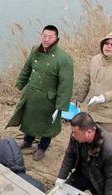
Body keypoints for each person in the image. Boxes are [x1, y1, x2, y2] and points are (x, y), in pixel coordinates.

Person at [6, 25, 74, 161]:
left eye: (50, 37)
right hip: (32, 94)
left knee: (47, 124)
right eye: (44, 36)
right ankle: (28, 140)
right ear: (41, 36)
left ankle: (42, 147)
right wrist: (20, 83)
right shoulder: (35, 50)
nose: (46, 39)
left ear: (56, 38)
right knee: (30, 118)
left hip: (49, 99)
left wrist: (60, 106)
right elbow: (27, 68)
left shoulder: (63, 58)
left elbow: (66, 84)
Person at [56, 112, 112, 195]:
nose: (73, 135)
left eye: (76, 133)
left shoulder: (108, 149)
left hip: (101, 183)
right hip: (82, 173)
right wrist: (61, 177)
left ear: (89, 132)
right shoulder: (75, 137)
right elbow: (70, 155)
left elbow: (111, 177)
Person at [76, 32, 112, 132]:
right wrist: (79, 99)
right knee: (91, 140)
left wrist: (104, 97)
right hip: (92, 111)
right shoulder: (95, 59)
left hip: (109, 117)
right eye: (106, 43)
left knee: (107, 144)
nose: (108, 46)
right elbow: (86, 81)